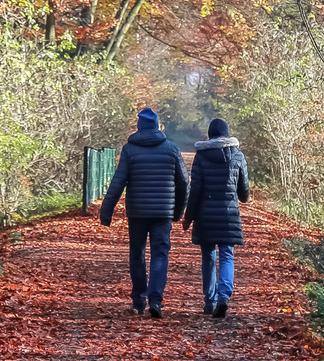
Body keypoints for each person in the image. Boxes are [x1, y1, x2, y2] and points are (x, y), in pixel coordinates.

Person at [98, 107, 189, 318]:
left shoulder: (130, 150)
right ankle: (155, 300)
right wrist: (178, 211)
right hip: (163, 213)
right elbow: (184, 182)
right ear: (157, 126)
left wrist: (106, 211)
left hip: (137, 212)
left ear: (139, 126)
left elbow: (118, 181)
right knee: (160, 254)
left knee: (137, 254)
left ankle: (139, 300)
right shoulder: (172, 149)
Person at [182, 117, 250, 318]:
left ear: (210, 134)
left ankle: (209, 301)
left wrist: (188, 217)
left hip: (205, 215)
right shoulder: (238, 156)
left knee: (208, 257)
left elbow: (195, 191)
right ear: (227, 134)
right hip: (229, 215)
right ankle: (224, 297)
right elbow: (244, 194)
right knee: (227, 255)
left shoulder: (201, 157)